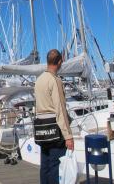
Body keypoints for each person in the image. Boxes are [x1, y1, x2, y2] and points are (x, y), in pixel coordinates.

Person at [34, 49, 73, 184]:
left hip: (41, 129)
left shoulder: (39, 80)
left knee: (45, 165)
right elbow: (60, 109)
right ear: (60, 61)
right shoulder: (55, 80)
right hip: (54, 129)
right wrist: (68, 136)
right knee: (55, 165)